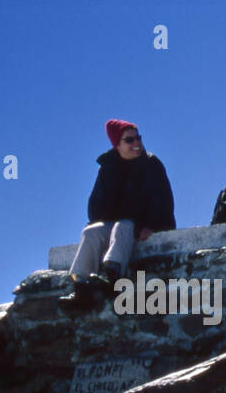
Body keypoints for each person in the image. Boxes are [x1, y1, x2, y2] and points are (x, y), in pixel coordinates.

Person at [58, 120, 176, 313]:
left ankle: (112, 276)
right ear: (117, 145)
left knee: (124, 226)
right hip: (113, 222)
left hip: (140, 223)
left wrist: (153, 225)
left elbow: (163, 202)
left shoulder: (151, 165)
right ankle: (81, 287)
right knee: (91, 232)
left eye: (138, 138)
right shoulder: (108, 168)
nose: (135, 143)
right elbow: (95, 207)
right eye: (129, 140)